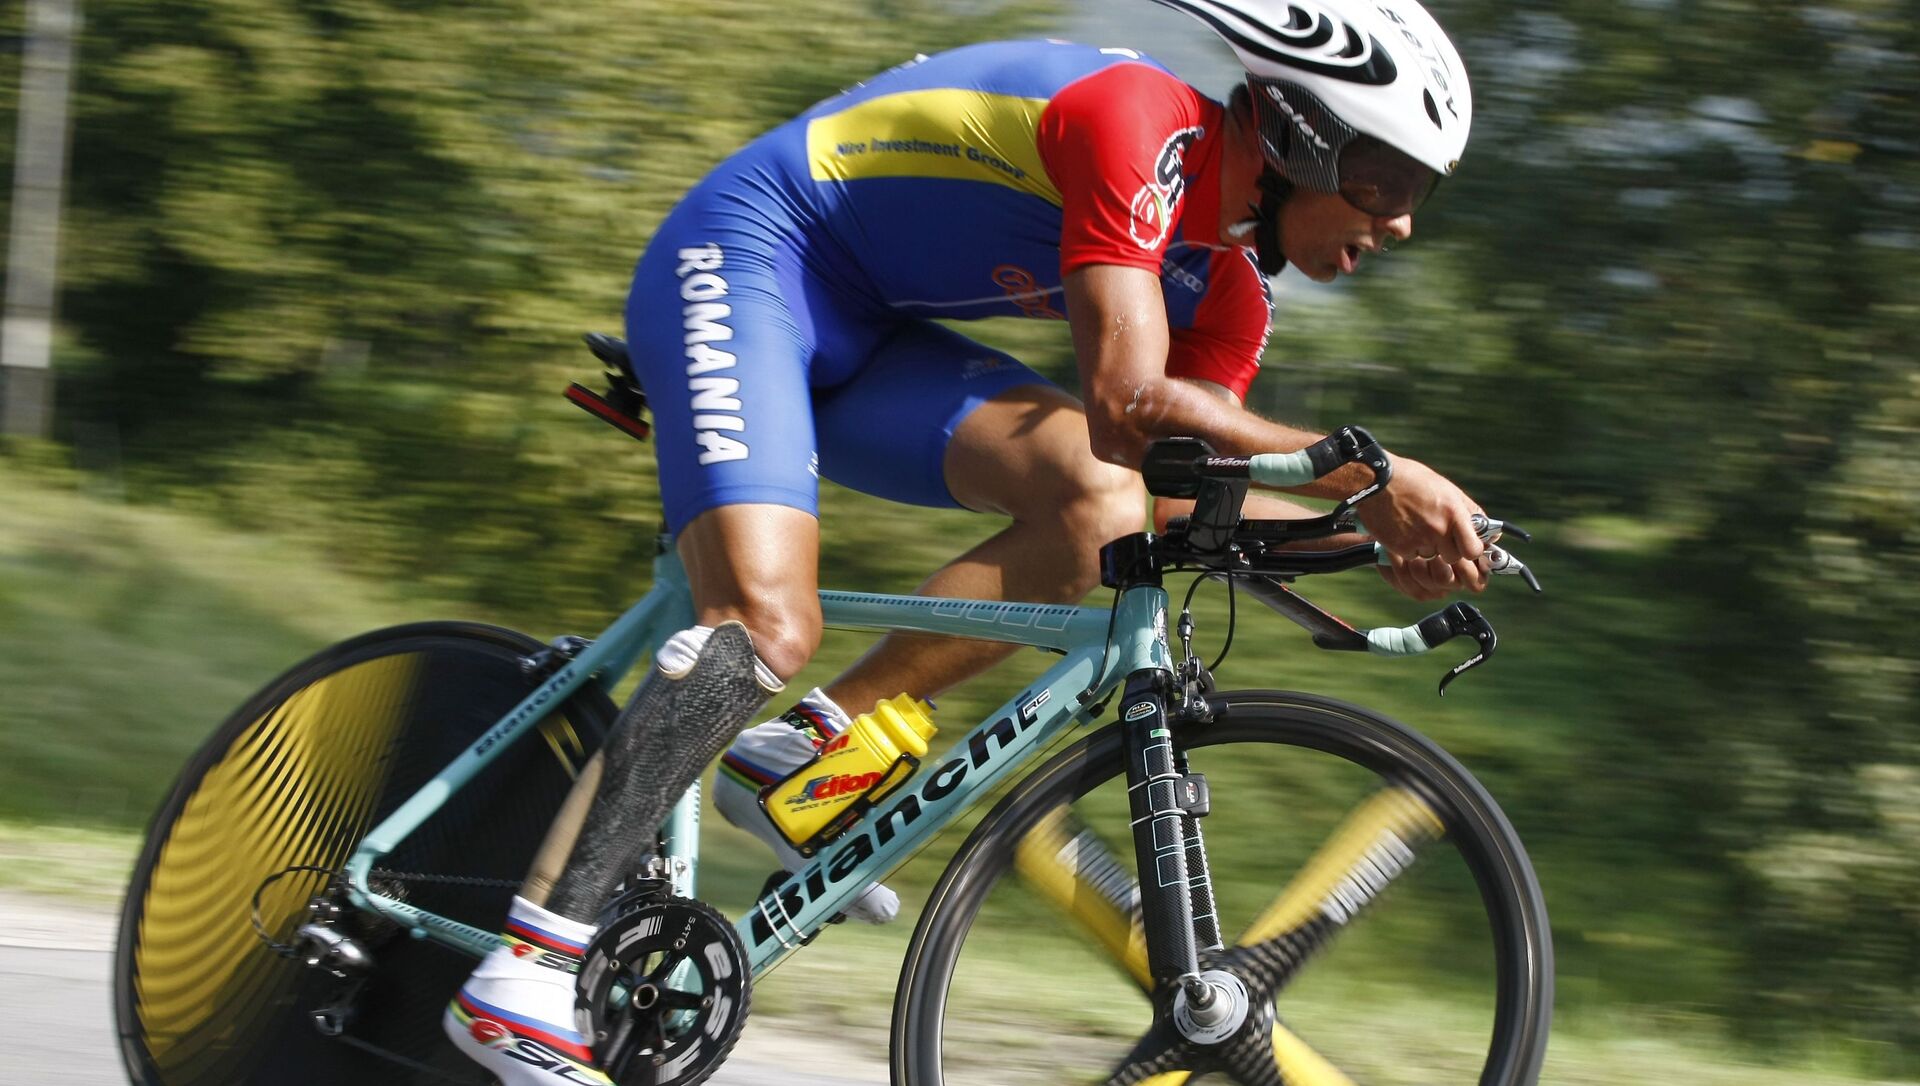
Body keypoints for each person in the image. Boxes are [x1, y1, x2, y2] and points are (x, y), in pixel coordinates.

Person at [446, 1, 1483, 1081]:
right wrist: (1375, 477)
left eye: (1420, 194)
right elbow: (1128, 405)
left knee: (1100, 507)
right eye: (1387, 182)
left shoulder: (1229, 293)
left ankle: (800, 745)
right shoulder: (1138, 119)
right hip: (748, 255)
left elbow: (1180, 498)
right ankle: (523, 978)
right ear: (1301, 135)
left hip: (868, 334)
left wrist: (1374, 545)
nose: (1402, 224)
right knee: (764, 618)